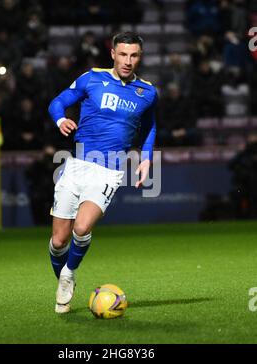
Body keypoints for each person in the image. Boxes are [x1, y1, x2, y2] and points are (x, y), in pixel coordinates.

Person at [47, 32, 158, 313]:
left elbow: (150, 127)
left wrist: (146, 158)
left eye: (133, 55)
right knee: (59, 240)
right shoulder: (91, 78)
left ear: (139, 57)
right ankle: (62, 276)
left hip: (109, 170)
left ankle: (69, 274)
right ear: (112, 53)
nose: (128, 61)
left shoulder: (147, 92)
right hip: (75, 165)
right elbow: (57, 102)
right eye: (123, 54)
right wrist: (61, 119)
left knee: (82, 228)